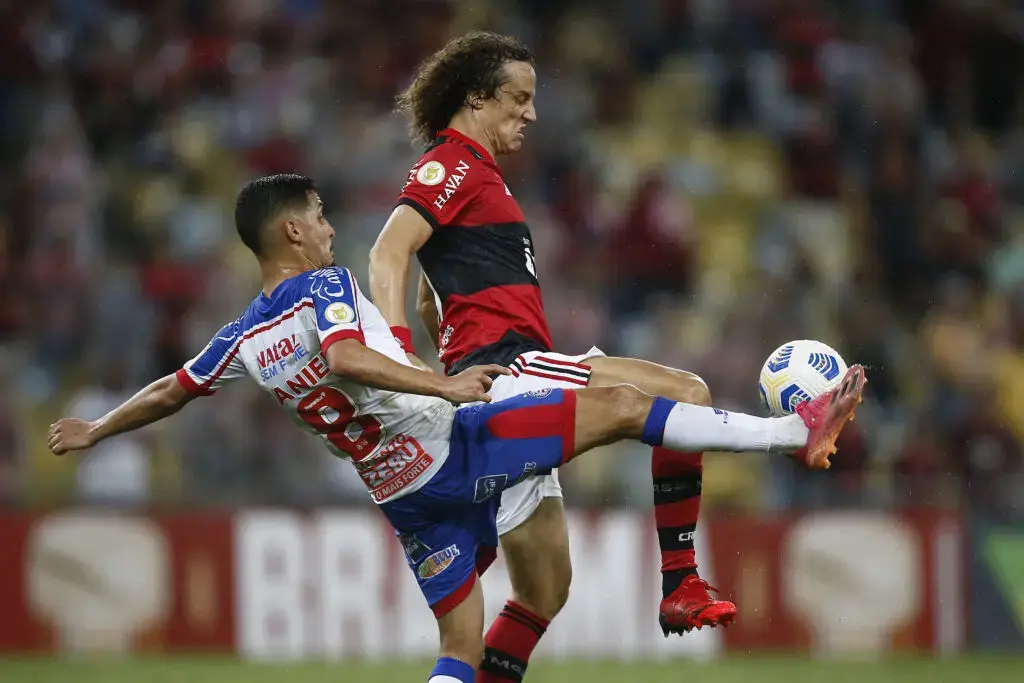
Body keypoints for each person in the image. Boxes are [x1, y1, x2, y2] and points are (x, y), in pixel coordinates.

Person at [48, 174, 867, 683]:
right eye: (321, 214)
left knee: (461, 646)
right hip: (452, 445)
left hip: (402, 493)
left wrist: (97, 428)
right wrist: (441, 379)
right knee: (622, 409)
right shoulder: (323, 286)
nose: (331, 227)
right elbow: (346, 358)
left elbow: (170, 389)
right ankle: (792, 435)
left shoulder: (241, 335)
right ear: (292, 232)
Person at [368, 32, 745, 671]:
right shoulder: (451, 164)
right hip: (515, 366)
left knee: (545, 590)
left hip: (507, 365)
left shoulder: (480, 177)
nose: (532, 114)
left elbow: (435, 295)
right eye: (518, 98)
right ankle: (680, 580)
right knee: (686, 393)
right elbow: (387, 250)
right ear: (476, 98)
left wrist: (442, 341)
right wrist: (405, 360)